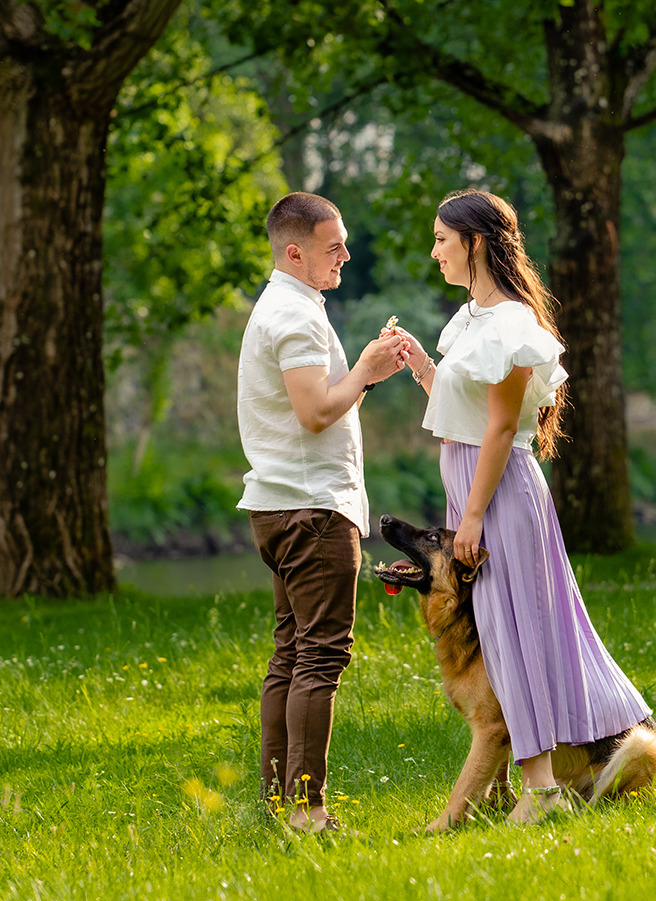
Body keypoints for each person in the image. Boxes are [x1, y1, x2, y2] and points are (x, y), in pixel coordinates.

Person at [392, 189, 653, 825]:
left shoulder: (510, 324)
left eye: (442, 241)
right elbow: (469, 415)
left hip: (501, 493)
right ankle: (540, 782)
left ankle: (542, 787)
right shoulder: (474, 321)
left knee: (517, 634)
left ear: (475, 243)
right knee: (504, 634)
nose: (435, 254)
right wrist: (425, 369)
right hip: (476, 486)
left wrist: (474, 517)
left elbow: (504, 429)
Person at [237, 191, 408, 834]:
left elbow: (312, 405)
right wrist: (364, 368)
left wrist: (364, 370)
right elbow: (313, 413)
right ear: (295, 251)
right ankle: (307, 812)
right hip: (311, 511)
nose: (345, 255)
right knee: (320, 657)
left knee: (292, 654)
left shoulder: (285, 307)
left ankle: (279, 804)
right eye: (333, 246)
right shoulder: (296, 316)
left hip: (283, 506)